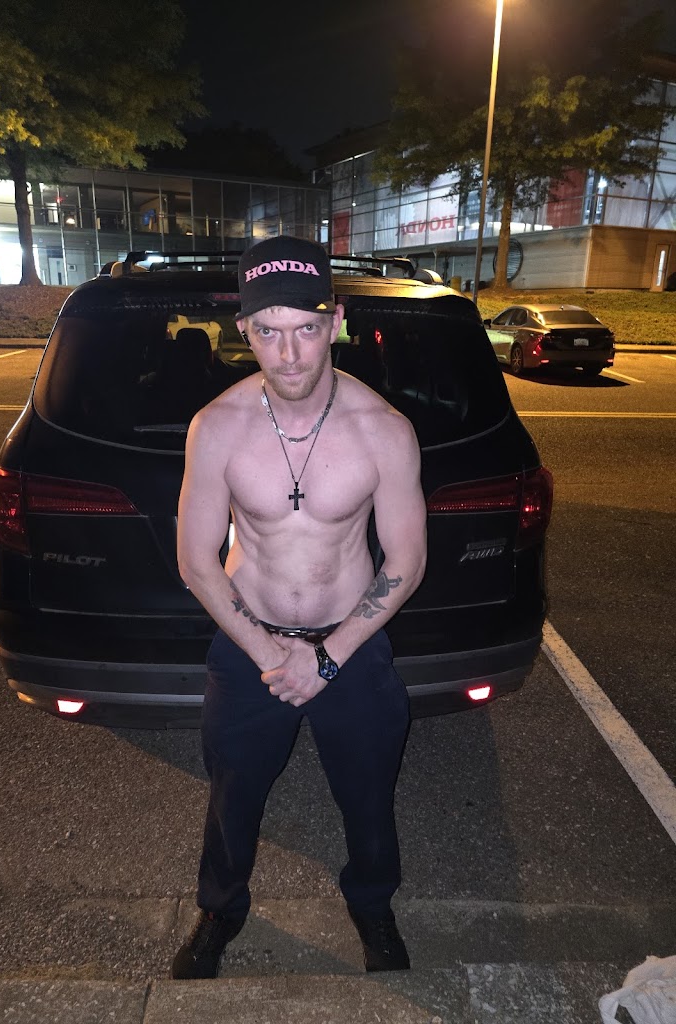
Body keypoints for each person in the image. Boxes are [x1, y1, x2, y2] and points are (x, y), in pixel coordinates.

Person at [172, 235, 427, 980]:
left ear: (336, 322)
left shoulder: (383, 430)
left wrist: (327, 658)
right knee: (233, 795)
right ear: (242, 329)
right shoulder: (217, 427)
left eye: (307, 329)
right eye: (268, 331)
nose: (288, 355)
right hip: (249, 647)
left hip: (353, 646)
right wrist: (270, 656)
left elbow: (406, 562)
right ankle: (220, 909)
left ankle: (372, 906)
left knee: (368, 795)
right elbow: (196, 560)